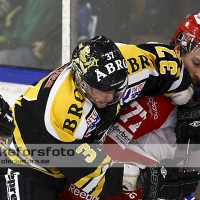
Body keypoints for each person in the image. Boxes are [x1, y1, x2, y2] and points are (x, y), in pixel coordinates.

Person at [0, 35, 199, 200]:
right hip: (28, 162)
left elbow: (169, 65)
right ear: (80, 81)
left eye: (117, 88)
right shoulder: (65, 116)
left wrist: (188, 106)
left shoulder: (133, 63)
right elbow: (95, 178)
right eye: (101, 91)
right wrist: (147, 180)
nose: (110, 98)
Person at [58, 11, 200, 200]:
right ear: (178, 47)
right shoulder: (160, 91)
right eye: (196, 62)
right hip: (114, 185)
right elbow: (109, 146)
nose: (199, 74)